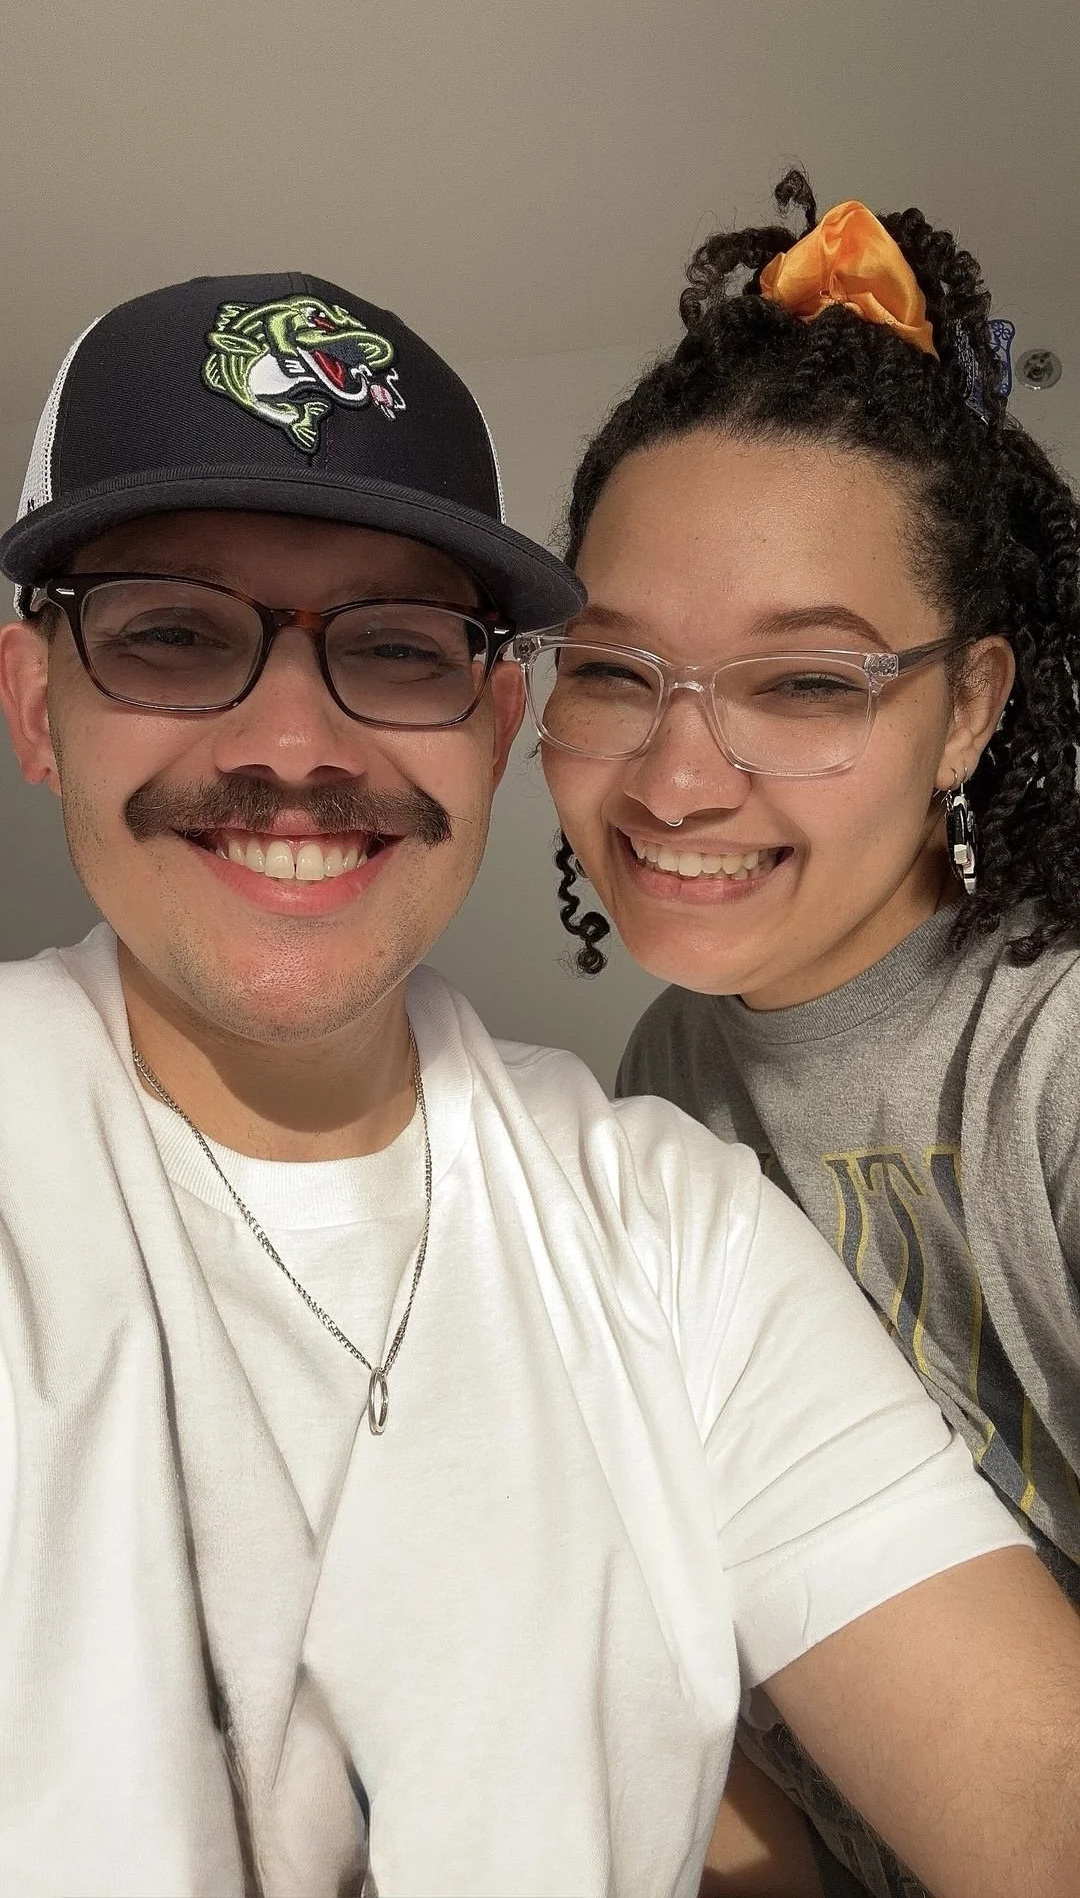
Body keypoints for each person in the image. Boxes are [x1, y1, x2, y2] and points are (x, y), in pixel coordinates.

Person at [0, 278, 1077, 1898]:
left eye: (394, 647)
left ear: (493, 720)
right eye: (171, 632)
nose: (292, 742)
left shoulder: (674, 1207)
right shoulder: (688, 1077)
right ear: (35, 704)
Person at [529, 172, 1080, 1897]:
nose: (680, 779)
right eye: (613, 671)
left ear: (965, 708)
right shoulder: (668, 1081)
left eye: (806, 682)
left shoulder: (1052, 1063)